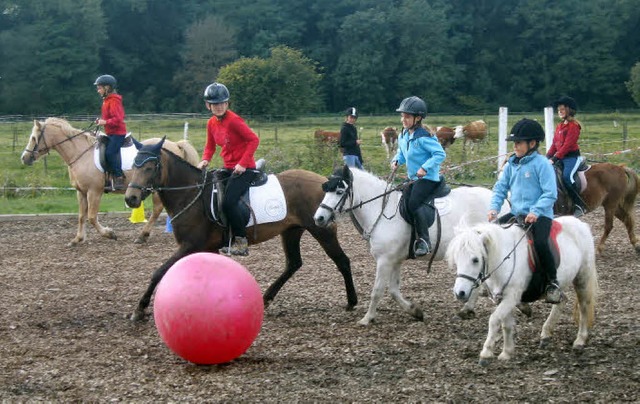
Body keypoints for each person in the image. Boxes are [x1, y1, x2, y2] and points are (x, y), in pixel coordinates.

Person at [488, 118, 562, 304]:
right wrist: (494, 208)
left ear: (532, 143)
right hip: (517, 214)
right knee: (491, 236)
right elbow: (500, 188)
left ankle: (553, 283)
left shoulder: (542, 164)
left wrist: (536, 211)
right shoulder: (512, 164)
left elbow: (550, 193)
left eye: (519, 143)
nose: (515, 146)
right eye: (514, 143)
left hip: (540, 215)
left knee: (541, 243)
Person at [197, 82, 260, 256]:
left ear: (227, 103)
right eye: (215, 104)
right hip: (228, 167)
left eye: (222, 103)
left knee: (228, 202)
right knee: (210, 193)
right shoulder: (211, 123)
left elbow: (253, 140)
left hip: (245, 169)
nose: (219, 107)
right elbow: (210, 146)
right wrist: (204, 160)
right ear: (208, 105)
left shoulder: (234, 120)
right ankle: (222, 236)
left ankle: (241, 241)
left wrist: (243, 163)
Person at [391, 96, 446, 257]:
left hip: (428, 179)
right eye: (402, 116)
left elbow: (439, 154)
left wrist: (425, 167)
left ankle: (424, 240)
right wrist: (396, 161)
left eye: (407, 117)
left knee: (414, 203)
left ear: (418, 118)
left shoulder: (423, 137)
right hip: (413, 179)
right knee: (402, 199)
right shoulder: (404, 135)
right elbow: (402, 152)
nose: (403, 119)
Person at [546, 95, 585, 217]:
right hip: (560, 157)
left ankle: (579, 204)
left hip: (571, 158)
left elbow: (568, 145)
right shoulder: (559, 126)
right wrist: (546, 157)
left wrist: (555, 158)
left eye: (562, 109)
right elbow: (554, 144)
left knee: (567, 177)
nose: (560, 112)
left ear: (569, 110)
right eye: (559, 110)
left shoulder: (574, 126)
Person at [94, 74, 127, 190]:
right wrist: (101, 122)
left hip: (118, 133)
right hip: (110, 133)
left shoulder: (114, 101)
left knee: (110, 153)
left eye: (99, 88)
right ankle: (107, 179)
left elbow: (118, 119)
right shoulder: (106, 100)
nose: (98, 90)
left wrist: (105, 122)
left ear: (107, 88)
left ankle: (119, 177)